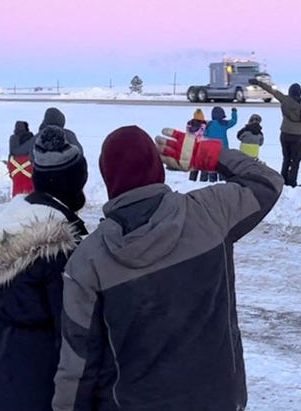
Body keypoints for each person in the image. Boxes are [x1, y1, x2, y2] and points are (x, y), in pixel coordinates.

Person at [52, 125, 282, 409]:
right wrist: (205, 154)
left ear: (108, 178)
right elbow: (267, 181)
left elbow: (78, 364)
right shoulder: (210, 212)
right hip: (219, 400)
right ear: (157, 168)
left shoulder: (88, 260)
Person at [0, 125, 88, 410]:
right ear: (74, 182)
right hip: (42, 375)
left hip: (1, 364)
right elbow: (71, 333)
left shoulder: (7, 226)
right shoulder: (56, 247)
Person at [252, 78, 301, 187]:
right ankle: (292, 182)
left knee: (286, 158)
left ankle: (283, 180)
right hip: (297, 135)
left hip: (284, 133)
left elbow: (272, 91)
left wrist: (258, 83)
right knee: (296, 160)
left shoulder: (284, 99)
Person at [201, 106, 238, 182]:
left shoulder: (208, 124)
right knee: (222, 165)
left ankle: (212, 180)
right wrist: (234, 112)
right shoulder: (224, 124)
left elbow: (204, 135)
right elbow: (234, 121)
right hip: (223, 149)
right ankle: (222, 179)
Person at [7, 120, 35, 197]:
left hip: (14, 163)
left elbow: (11, 152)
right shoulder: (30, 137)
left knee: (17, 189)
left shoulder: (13, 138)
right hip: (29, 163)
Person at [185, 108, 208, 181]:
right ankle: (203, 180)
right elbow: (204, 134)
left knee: (194, 165)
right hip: (202, 146)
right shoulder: (203, 126)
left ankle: (192, 180)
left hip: (192, 146)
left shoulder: (189, 125)